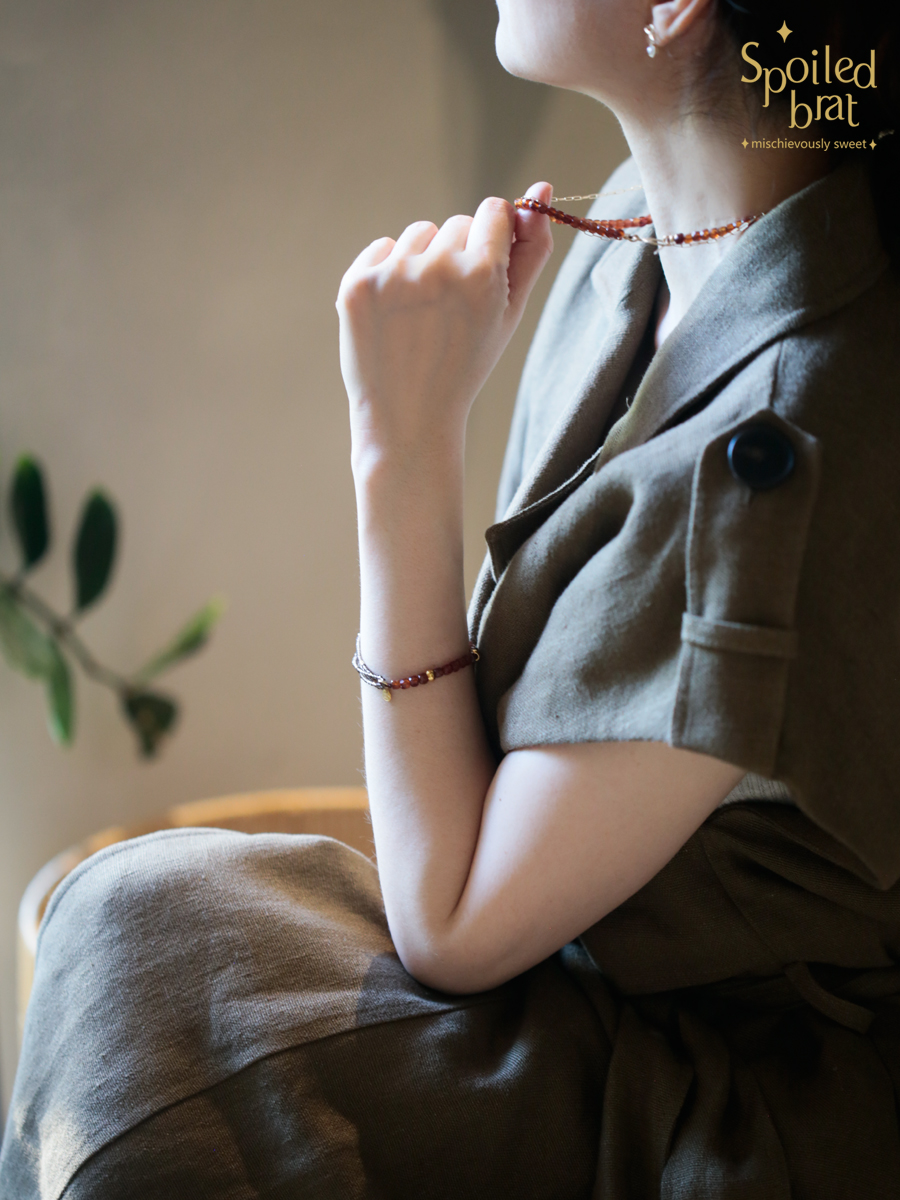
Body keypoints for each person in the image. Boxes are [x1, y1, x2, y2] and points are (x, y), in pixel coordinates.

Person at [3, 0, 900, 1195]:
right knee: (139, 932)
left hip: (729, 1101)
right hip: (573, 976)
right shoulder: (638, 233)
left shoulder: (782, 446)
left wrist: (402, 447)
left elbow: (456, 926)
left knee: (138, 971)